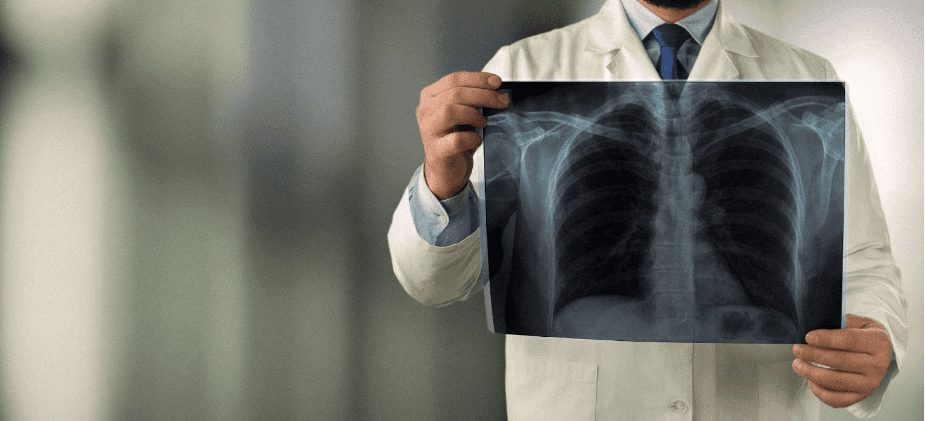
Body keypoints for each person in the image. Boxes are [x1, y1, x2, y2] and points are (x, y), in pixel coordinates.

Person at [388, 0, 909, 419]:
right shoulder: (520, 72)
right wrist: (443, 176)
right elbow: (436, 282)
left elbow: (863, 262)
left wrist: (875, 340)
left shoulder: (807, 75)